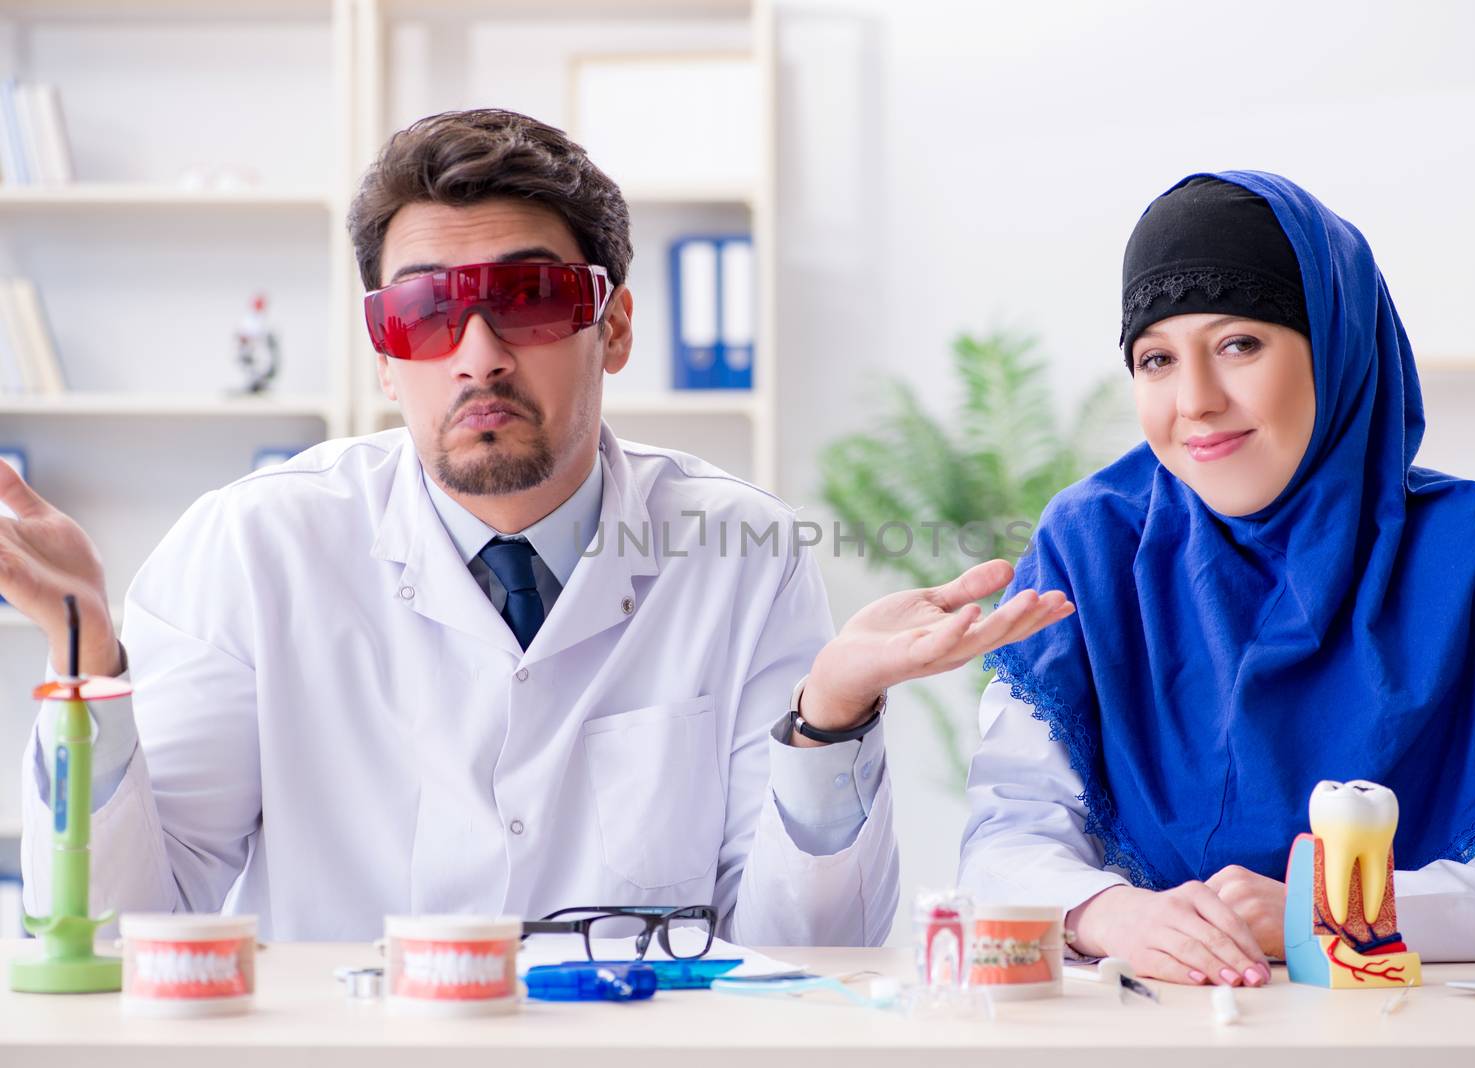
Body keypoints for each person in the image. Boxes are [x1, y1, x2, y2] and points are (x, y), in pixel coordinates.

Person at [1, 109, 1073, 941]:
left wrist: (830, 718)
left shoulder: (737, 553)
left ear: (613, 328)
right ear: (383, 357)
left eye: (528, 298)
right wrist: (85, 657)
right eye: (424, 312)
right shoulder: (253, 549)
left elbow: (812, 951)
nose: (476, 355)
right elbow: (124, 926)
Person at [961, 172, 1475, 987]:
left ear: (1334, 347)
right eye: (1156, 360)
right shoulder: (1090, 544)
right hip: (1149, 1016)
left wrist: (1341, 912)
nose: (1194, 401)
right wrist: (1108, 912)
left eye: (1239, 345)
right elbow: (1006, 827)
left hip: (1395, 1020)